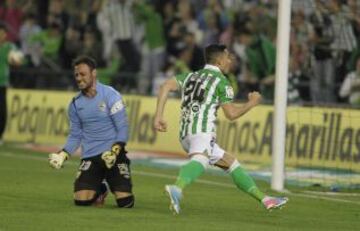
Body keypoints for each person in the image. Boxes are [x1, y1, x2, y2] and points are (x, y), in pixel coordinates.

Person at [153, 44, 288, 214]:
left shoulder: (191, 76)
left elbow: (165, 86)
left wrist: (158, 116)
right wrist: (251, 103)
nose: (230, 60)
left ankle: (266, 200)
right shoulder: (222, 82)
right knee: (201, 161)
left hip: (185, 133)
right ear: (219, 60)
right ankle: (177, 188)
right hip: (202, 131)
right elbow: (231, 114)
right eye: (227, 57)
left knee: (231, 163)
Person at [48, 55, 134, 208]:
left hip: (114, 155)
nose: (79, 78)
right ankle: (101, 189)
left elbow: (122, 129)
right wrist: (63, 154)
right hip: (90, 156)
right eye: (76, 75)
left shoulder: (111, 95)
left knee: (125, 203)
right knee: (81, 201)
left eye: (83, 74)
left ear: (94, 74)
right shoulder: (75, 104)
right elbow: (75, 135)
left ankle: (113, 185)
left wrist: (114, 152)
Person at [0, 22, 23, 145]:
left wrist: (17, 60)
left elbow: (18, 58)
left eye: (3, 33)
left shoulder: (9, 47)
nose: (1, 35)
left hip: (2, 83)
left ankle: (0, 136)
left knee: (2, 110)